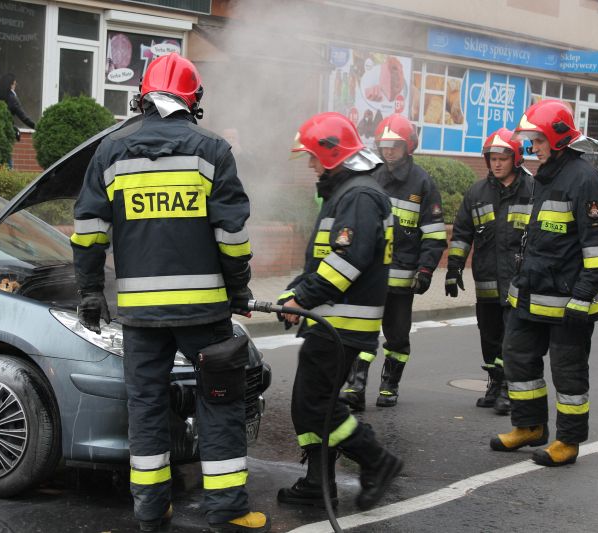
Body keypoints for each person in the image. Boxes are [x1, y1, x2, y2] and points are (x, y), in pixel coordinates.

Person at [71, 53, 268, 533]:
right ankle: (227, 509)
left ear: (143, 96)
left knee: (146, 408)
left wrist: (90, 293)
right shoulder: (212, 151)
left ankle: (150, 508)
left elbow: (87, 230)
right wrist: (239, 290)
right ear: (193, 99)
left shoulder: (110, 152)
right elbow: (232, 237)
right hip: (204, 314)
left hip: (140, 317)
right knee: (219, 402)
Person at [275, 111, 402, 510]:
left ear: (332, 155)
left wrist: (303, 299)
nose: (311, 164)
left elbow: (347, 262)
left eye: (314, 156)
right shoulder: (348, 193)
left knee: (317, 405)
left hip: (341, 323)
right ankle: (318, 481)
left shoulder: (359, 196)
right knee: (309, 403)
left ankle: (376, 460)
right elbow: (324, 260)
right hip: (330, 319)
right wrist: (293, 293)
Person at [489, 99, 598, 467]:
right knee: (517, 358)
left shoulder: (584, 180)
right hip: (532, 295)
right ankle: (529, 427)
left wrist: (582, 297)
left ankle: (569, 442)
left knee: (568, 373)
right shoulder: (544, 176)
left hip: (568, 303)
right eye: (530, 140)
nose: (531, 147)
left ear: (558, 140)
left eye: (538, 140)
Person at [340, 113, 447, 410]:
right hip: (369, 276)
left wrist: (426, 270)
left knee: (397, 337)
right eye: (384, 145)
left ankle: (389, 385)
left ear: (408, 146)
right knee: (362, 332)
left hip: (402, 280)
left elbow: (434, 233)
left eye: (395, 145)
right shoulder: (371, 175)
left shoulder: (422, 182)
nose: (388, 151)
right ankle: (356, 386)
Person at [445, 128, 534, 414]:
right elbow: (461, 233)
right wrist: (454, 267)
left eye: (502, 158)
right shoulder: (477, 192)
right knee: (490, 337)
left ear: (515, 159)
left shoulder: (533, 190)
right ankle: (495, 384)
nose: (496, 164)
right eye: (492, 158)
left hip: (519, 281)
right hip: (486, 281)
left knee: (513, 338)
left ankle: (510, 389)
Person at [0, 73, 36, 167]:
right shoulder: (12, 98)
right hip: (6, 131)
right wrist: (37, 126)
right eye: (14, 84)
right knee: (7, 158)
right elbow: (24, 117)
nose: (15, 86)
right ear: (10, 84)